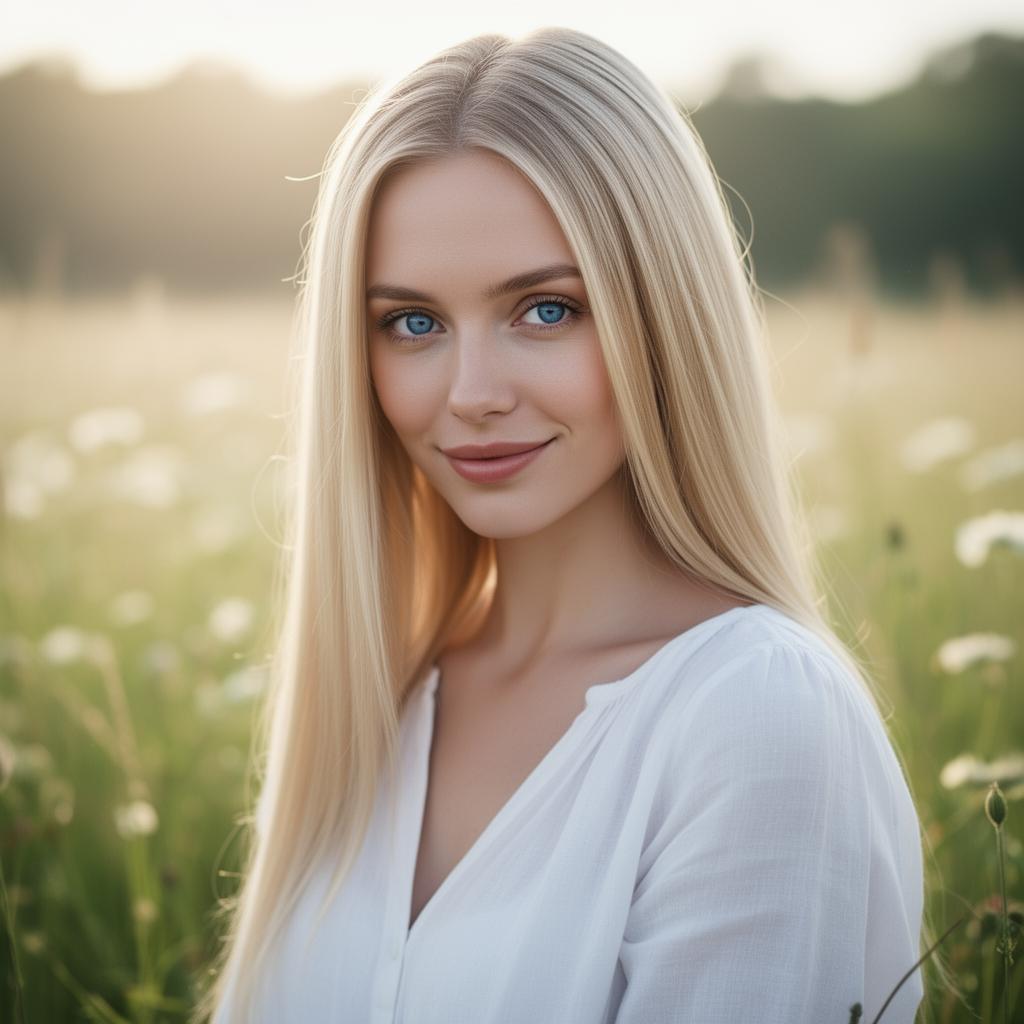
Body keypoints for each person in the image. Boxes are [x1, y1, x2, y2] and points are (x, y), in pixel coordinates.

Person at [199, 26, 931, 1024]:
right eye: (411, 322)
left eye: (544, 310)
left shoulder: (755, 715)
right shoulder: (378, 691)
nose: (471, 394)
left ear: (662, 314)